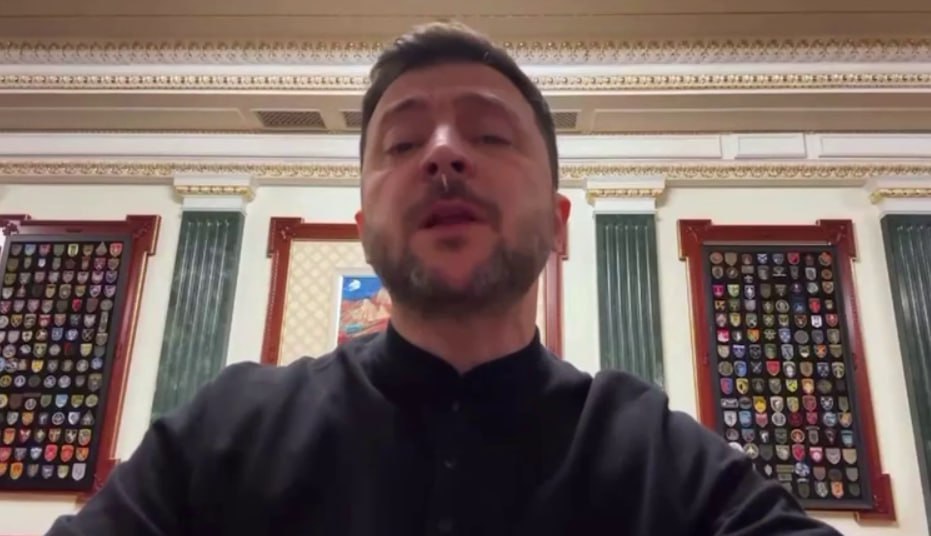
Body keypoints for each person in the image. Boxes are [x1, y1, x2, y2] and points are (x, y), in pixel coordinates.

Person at [46, 21, 844, 536]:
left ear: (558, 222)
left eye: (489, 135)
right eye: (401, 145)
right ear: (364, 227)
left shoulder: (659, 456)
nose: (442, 154)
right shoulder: (228, 430)